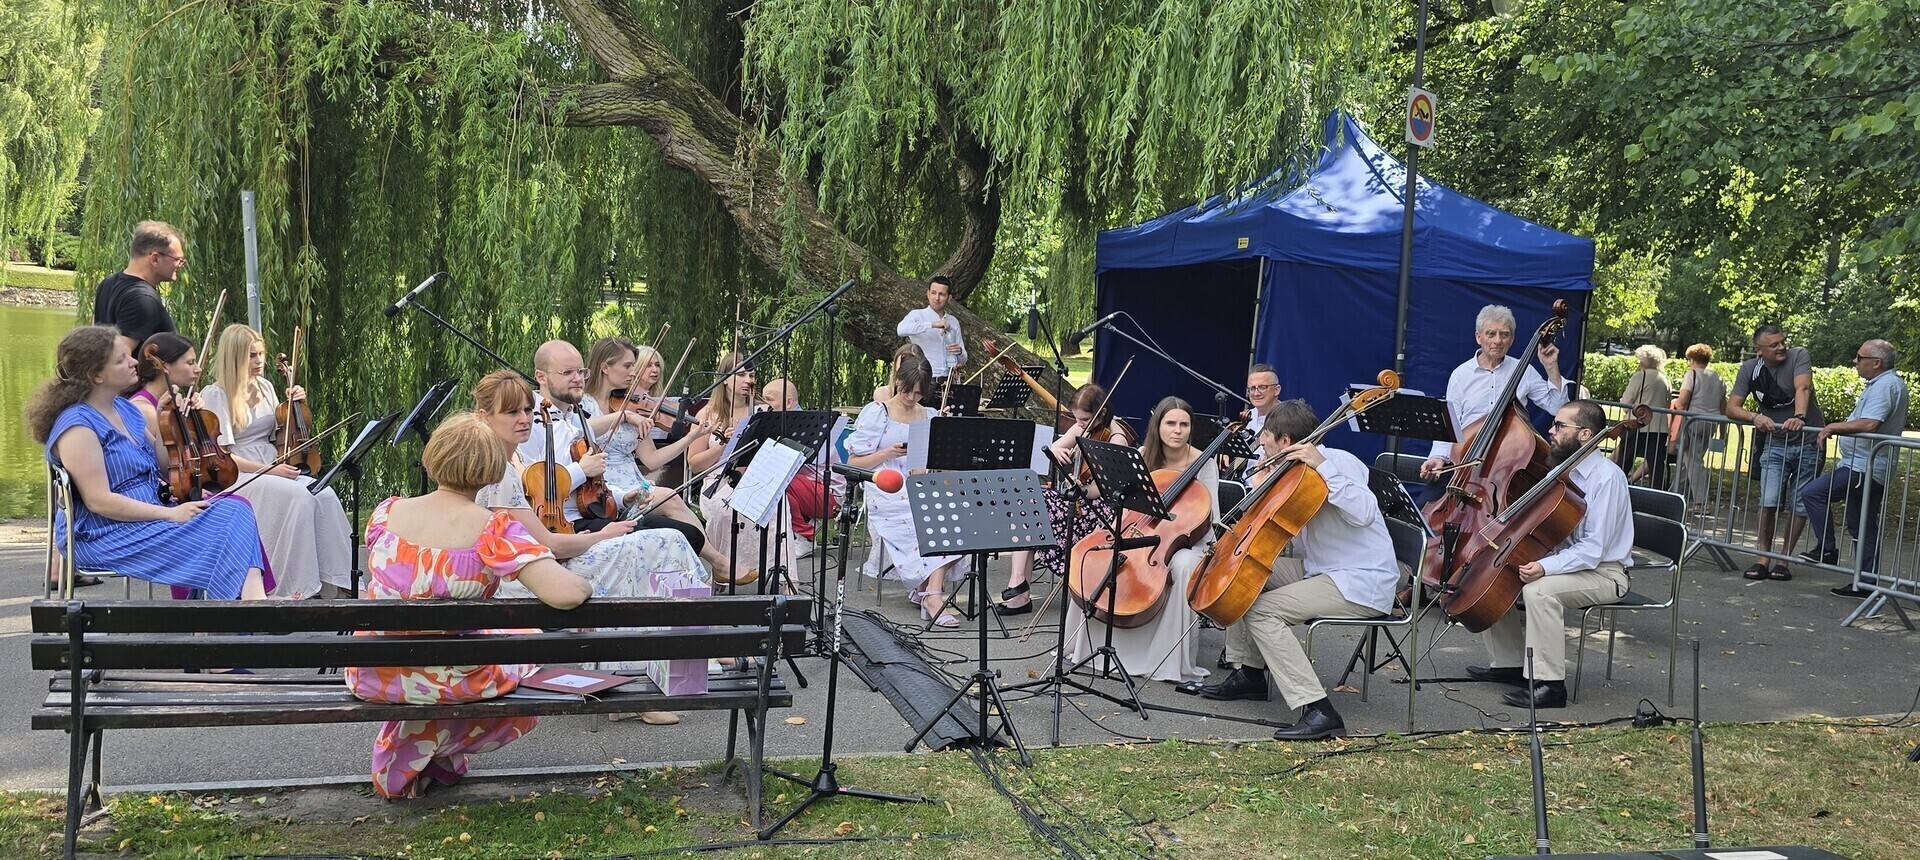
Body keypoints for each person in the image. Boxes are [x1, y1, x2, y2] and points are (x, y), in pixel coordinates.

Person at [345, 413, 594, 798]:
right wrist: (585, 583)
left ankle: (425, 755)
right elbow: (565, 593)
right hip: (456, 677)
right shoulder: (493, 528)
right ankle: (436, 752)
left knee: (501, 643)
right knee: (528, 654)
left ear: (434, 457)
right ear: (492, 471)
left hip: (377, 670)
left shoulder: (385, 514)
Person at [1194, 401, 1401, 739]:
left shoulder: (1339, 461)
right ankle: (1250, 674)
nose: (1260, 441)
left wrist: (1323, 467)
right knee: (1243, 572)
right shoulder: (1290, 469)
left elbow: (1364, 512)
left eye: (1266, 435)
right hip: (1320, 568)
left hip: (1359, 580)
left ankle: (1318, 709)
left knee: (1263, 612)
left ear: (1287, 441)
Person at [28, 326, 269, 601]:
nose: (134, 361)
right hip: (106, 533)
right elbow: (98, 501)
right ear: (95, 376)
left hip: (149, 515)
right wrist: (170, 514)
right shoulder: (77, 427)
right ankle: (243, 613)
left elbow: (163, 467)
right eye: (121, 360)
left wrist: (170, 419)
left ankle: (239, 611)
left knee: (235, 510)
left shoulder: (125, 408)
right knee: (227, 525)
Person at [523, 340, 741, 583]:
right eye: (567, 373)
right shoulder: (535, 420)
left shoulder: (575, 417)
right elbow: (533, 482)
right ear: (540, 377)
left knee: (691, 535)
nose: (577, 378)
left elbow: (623, 471)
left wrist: (620, 497)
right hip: (564, 520)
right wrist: (581, 469)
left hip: (601, 502)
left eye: (581, 372)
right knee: (670, 537)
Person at [1467, 400, 1632, 710]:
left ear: (1585, 434)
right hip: (1574, 564)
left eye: (1559, 426)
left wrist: (1545, 566)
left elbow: (1594, 550)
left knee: (1539, 591)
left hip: (1606, 573)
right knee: (1498, 576)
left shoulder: (1607, 478)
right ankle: (1509, 663)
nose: (1550, 430)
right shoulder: (1560, 469)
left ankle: (1550, 685)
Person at [1061, 396, 1215, 684]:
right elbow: (1123, 500)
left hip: (1185, 541)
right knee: (1094, 554)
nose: (1177, 430)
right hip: (1139, 528)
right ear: (1158, 426)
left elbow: (1209, 518)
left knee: (1182, 564)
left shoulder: (1203, 462)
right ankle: (1085, 645)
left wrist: (1180, 532)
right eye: (1170, 423)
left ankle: (1166, 660)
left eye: (1184, 424)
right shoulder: (1143, 454)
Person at [196, 324, 355, 598]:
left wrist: (296, 407)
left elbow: (277, 435)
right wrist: (269, 470)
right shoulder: (216, 393)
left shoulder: (266, 387)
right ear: (234, 357)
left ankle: (338, 581)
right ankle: (296, 587)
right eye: (252, 356)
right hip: (240, 474)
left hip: (274, 465)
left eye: (261, 354)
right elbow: (221, 457)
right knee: (301, 498)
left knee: (324, 493)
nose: (260, 362)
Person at [998, 382, 1135, 615]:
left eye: (1083, 419)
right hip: (1075, 499)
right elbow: (1053, 448)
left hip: (1099, 511)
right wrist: (1056, 451)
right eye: (1077, 419)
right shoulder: (1082, 428)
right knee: (1027, 497)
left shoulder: (1116, 438)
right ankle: (1018, 582)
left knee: (1034, 511)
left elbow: (1102, 490)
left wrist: (1081, 488)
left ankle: (1019, 592)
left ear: (1101, 413)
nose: (1079, 424)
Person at [846, 356, 961, 626]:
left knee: (958, 514)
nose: (912, 397)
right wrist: (887, 452)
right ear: (898, 381)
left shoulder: (929, 415)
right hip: (886, 487)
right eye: (908, 390)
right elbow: (852, 464)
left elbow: (937, 463)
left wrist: (944, 439)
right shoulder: (878, 412)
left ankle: (929, 590)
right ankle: (931, 593)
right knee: (926, 517)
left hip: (919, 485)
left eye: (919, 393)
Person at [1800, 340, 1908, 594]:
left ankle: (1828, 550)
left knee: (1813, 493)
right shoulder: (1884, 384)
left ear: (1876, 363)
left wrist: (1833, 426)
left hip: (1864, 467)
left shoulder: (1885, 386)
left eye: (1859, 357)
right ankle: (1865, 582)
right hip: (1867, 465)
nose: (1855, 361)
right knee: (1862, 524)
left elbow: (1870, 424)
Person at [1419, 305, 1567, 488]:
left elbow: (1557, 408)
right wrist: (1438, 457)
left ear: (1512, 339)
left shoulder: (1525, 371)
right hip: (1464, 462)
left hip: (1508, 466)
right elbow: (1450, 423)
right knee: (1426, 510)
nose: (1498, 340)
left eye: (1504, 334)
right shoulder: (1461, 374)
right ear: (1478, 337)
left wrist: (1551, 367)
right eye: (1491, 334)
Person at [687, 352, 797, 589]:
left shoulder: (763, 412)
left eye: (752, 375)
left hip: (757, 478)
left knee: (778, 505)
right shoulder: (707, 414)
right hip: (720, 480)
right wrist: (726, 445)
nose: (749, 380)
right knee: (725, 509)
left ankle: (784, 583)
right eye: (742, 374)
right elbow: (694, 463)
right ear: (724, 378)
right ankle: (723, 572)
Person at [1724, 324, 1823, 582]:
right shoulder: (1750, 369)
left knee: (1798, 503)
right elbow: (1732, 408)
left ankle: (1784, 559)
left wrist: (1800, 416)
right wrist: (1754, 417)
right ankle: (1762, 558)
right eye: (1774, 345)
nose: (1781, 347)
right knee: (1767, 502)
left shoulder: (1798, 355)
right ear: (1759, 350)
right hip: (1775, 443)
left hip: (1808, 442)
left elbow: (1803, 388)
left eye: (1782, 342)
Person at [761, 377, 837, 559]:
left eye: (769, 400)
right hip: (809, 486)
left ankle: (805, 536)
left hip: (829, 495)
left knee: (777, 478)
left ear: (788, 402)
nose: (765, 406)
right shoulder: (784, 422)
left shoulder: (806, 426)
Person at [92, 221, 186, 353]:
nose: (181, 265)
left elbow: (93, 337)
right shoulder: (143, 299)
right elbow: (120, 355)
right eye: (178, 259)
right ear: (155, 259)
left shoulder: (107, 283)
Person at [1671, 343, 1727, 513]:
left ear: (1692, 359)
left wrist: (1675, 409)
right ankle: (1674, 494)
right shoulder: (1718, 377)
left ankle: (1702, 503)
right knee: (1687, 460)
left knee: (1694, 462)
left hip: (1693, 421)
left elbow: (1682, 401)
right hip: (1711, 422)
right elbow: (1723, 405)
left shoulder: (1692, 375)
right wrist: (1722, 431)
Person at [1615, 344, 1672, 488]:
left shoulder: (1640, 376)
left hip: (1636, 425)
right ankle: (1657, 495)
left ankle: (1617, 487)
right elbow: (1668, 402)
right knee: (1656, 465)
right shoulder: (1664, 379)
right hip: (1659, 428)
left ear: (1642, 361)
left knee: (1625, 461)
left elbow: (1627, 401)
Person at [895, 276, 967, 382]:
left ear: (949, 298)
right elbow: (901, 330)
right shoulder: (917, 315)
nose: (936, 298)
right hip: (925, 378)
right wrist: (933, 325)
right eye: (933, 293)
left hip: (949, 380)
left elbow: (964, 358)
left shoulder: (953, 321)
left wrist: (959, 352)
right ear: (928, 294)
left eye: (942, 294)